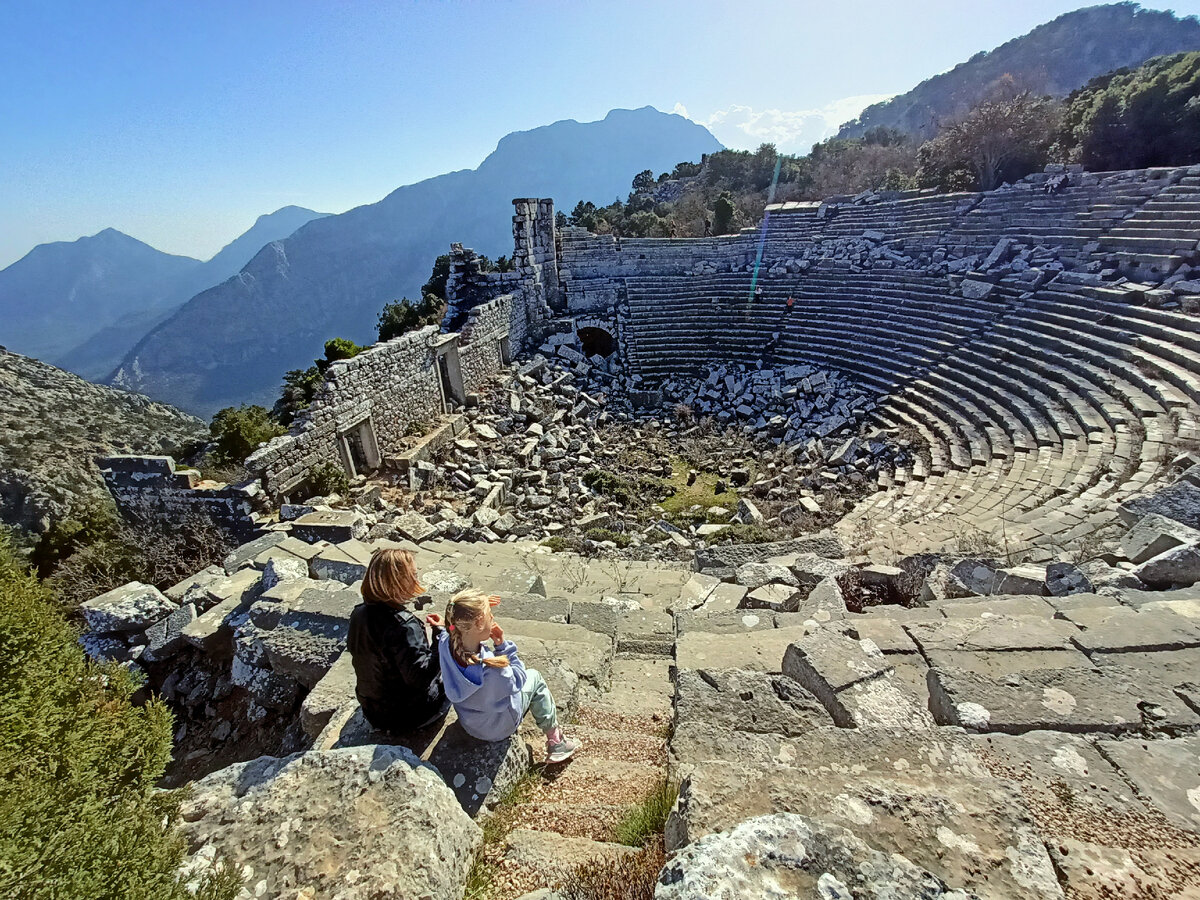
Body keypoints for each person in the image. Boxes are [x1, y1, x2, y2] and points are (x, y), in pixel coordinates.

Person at [438, 589, 580, 763]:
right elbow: (519, 679)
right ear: (479, 622)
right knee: (534, 677)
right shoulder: (492, 667)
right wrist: (502, 646)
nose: (493, 618)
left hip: (470, 723)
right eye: (490, 615)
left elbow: (449, 627)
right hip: (499, 728)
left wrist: (479, 606)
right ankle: (556, 741)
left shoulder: (445, 643)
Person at [347, 548, 448, 733]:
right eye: (413, 575)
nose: (417, 580)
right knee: (453, 670)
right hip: (408, 716)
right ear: (396, 581)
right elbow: (421, 678)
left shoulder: (358, 614)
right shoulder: (404, 626)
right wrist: (440, 635)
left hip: (372, 711)